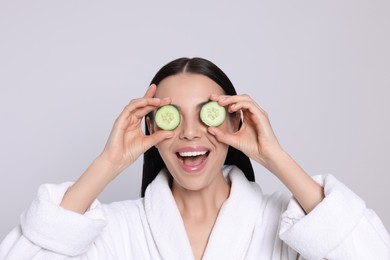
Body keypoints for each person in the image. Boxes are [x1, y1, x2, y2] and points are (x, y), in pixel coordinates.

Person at [0, 57, 389, 260]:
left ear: (235, 120)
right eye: (173, 118)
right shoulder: (115, 230)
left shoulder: (285, 226)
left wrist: (275, 156)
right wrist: (109, 162)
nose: (189, 132)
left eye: (207, 114)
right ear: (151, 128)